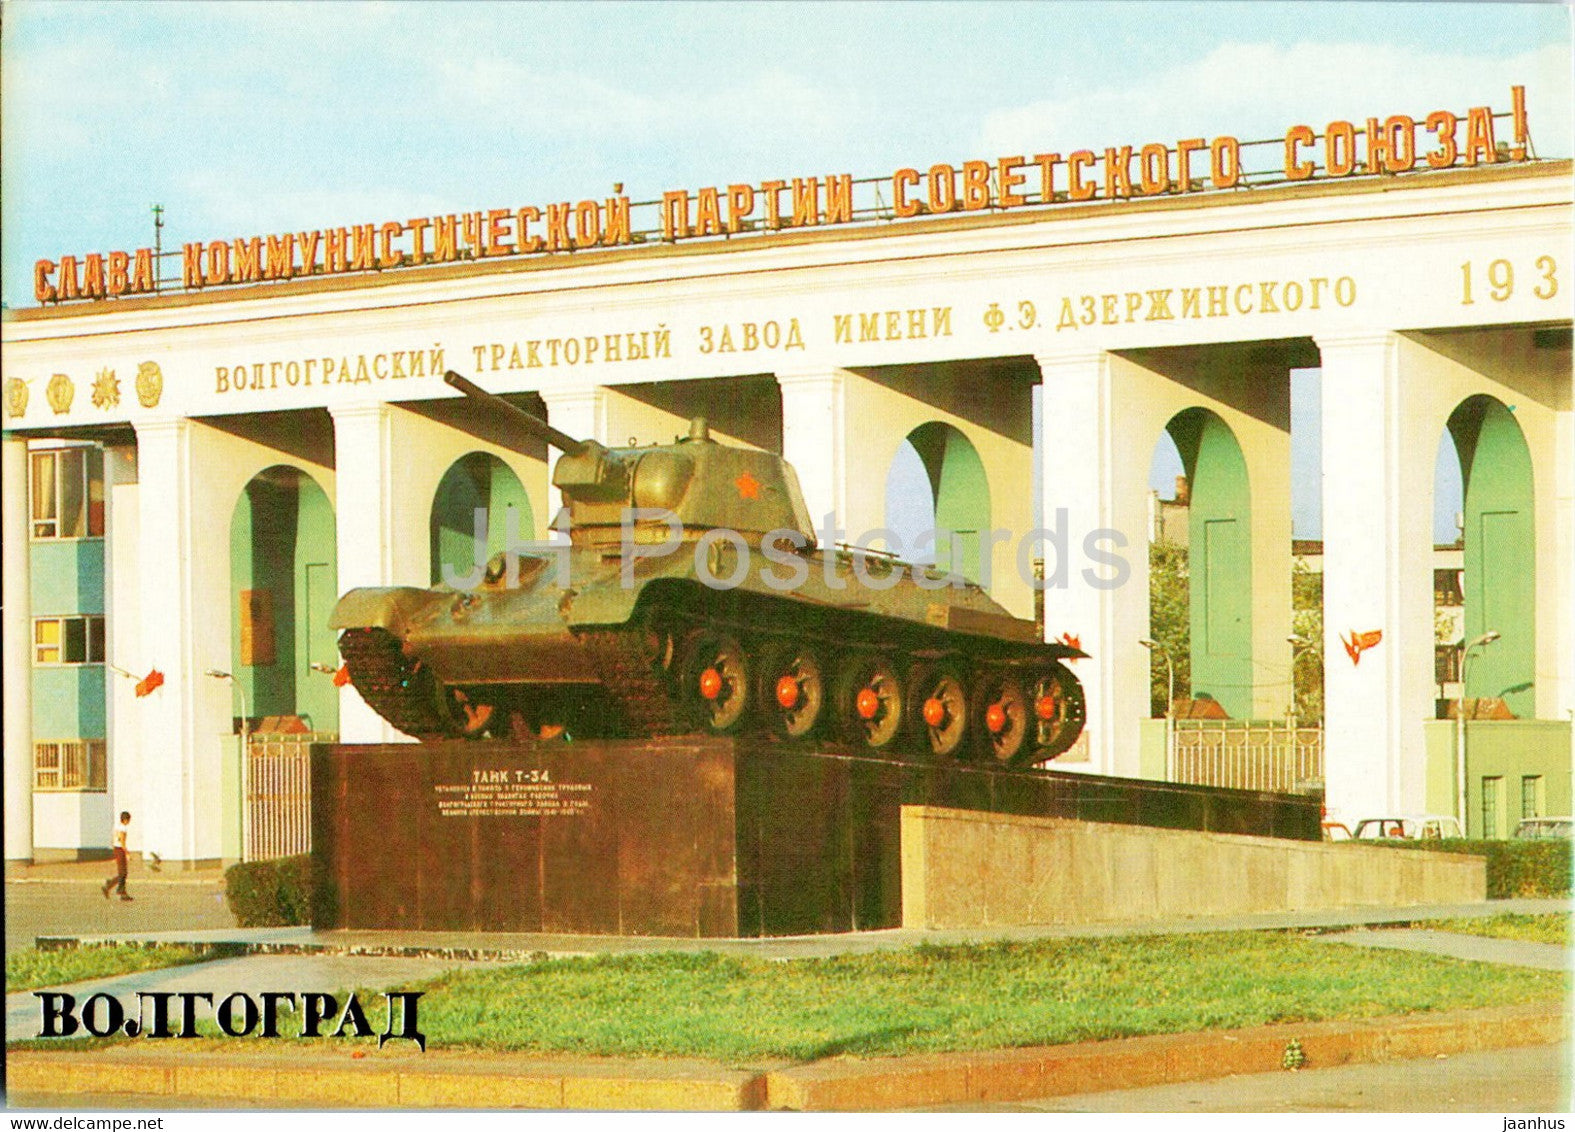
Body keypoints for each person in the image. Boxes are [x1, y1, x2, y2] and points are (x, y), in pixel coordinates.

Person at [102, 811, 133, 901]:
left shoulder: (117, 826)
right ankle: (110, 886)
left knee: (123, 872)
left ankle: (121, 891)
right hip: (120, 850)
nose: (129, 821)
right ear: (125, 820)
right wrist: (127, 853)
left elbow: (115, 839)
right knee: (123, 872)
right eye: (129, 820)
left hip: (116, 848)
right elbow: (122, 841)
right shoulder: (123, 828)